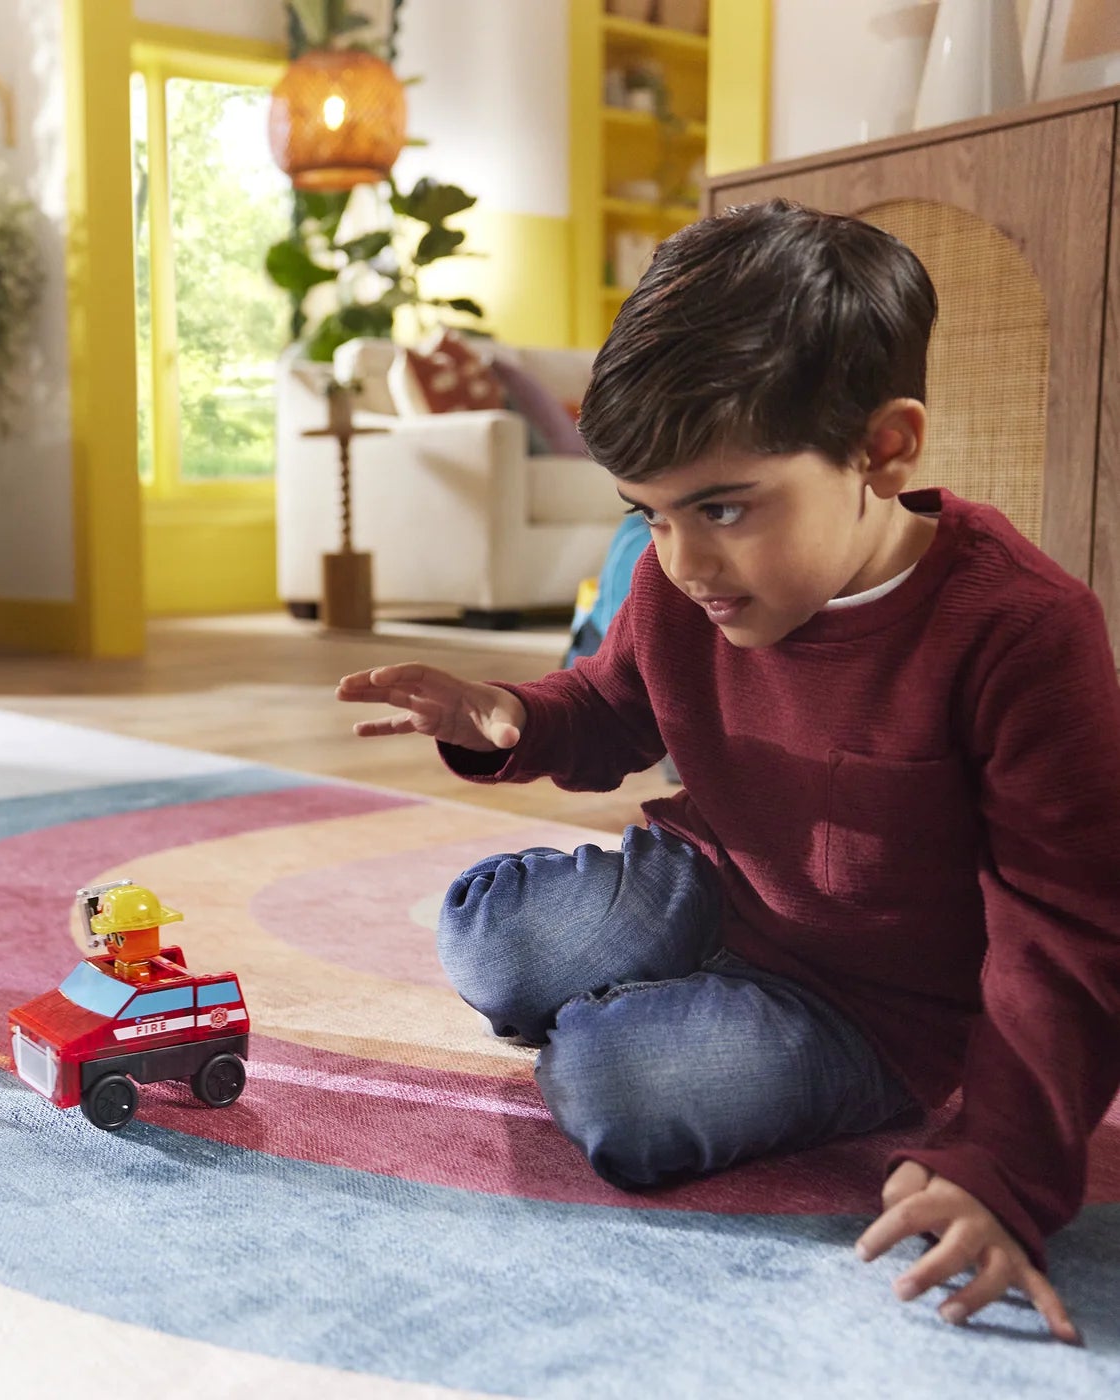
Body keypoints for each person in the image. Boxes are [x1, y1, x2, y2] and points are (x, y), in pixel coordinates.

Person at [335, 200, 1120, 1343]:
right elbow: (609, 705)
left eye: (720, 507)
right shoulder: (676, 581)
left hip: (872, 1005)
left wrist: (1000, 1164)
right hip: (703, 883)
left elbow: (1069, 935)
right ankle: (652, 988)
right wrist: (507, 714)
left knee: (612, 1087)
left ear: (882, 448)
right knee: (483, 937)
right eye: (647, 515)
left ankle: (638, 1013)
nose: (683, 559)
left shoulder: (1021, 630)